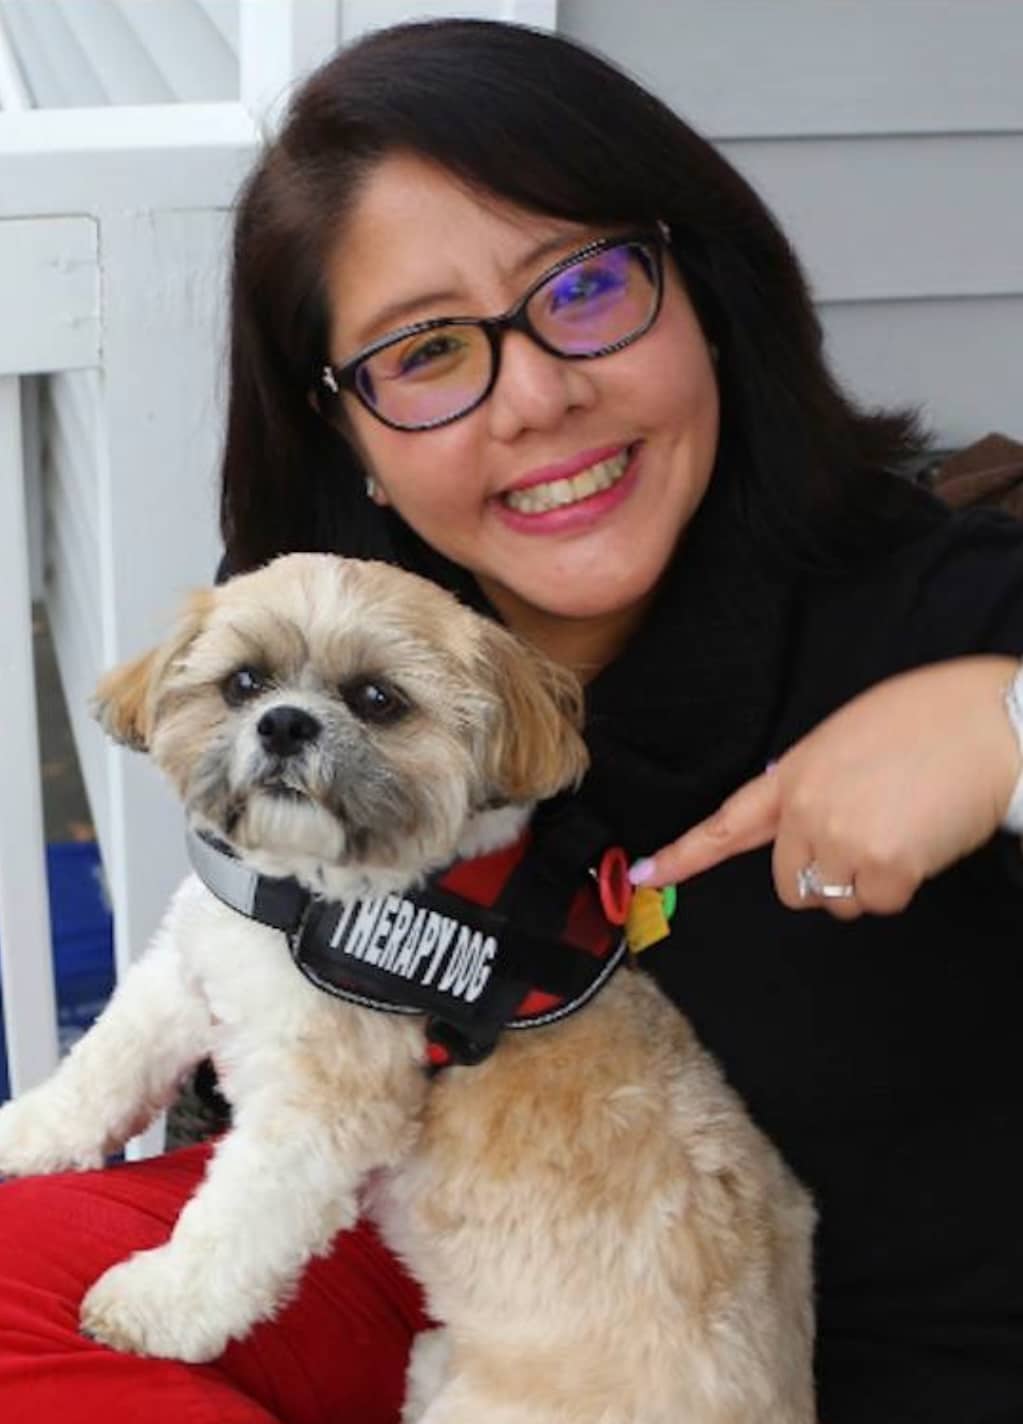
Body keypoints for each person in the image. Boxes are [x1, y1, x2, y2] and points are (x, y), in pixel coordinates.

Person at [1, 18, 1021, 1424]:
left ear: (704, 292)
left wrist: (1005, 727)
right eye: (425, 353)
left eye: (589, 285)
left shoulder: (946, 608)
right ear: (343, 426)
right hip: (440, 1266)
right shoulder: (332, 615)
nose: (538, 396)